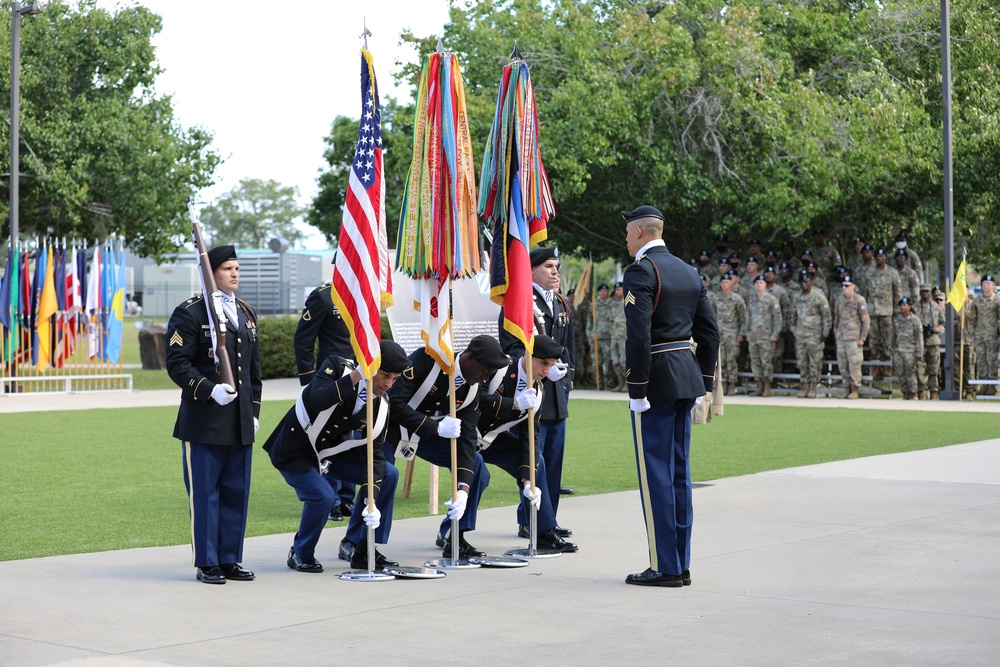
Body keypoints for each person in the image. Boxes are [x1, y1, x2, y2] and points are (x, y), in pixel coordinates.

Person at [620, 205, 720, 588]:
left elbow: (639, 336)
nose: (626, 240)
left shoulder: (643, 271)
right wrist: (705, 383)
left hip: (657, 381)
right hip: (687, 377)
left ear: (642, 232)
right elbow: (710, 334)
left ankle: (664, 566)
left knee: (656, 476)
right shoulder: (688, 271)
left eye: (629, 232)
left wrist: (637, 389)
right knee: (679, 473)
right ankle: (680, 563)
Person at [262, 340, 410, 572]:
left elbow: (376, 455)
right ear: (370, 366)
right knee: (325, 498)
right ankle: (300, 552)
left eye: (395, 378)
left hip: (331, 455)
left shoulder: (381, 405)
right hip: (295, 450)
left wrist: (371, 501)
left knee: (387, 474)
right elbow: (317, 398)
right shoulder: (337, 367)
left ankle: (360, 548)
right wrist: (356, 377)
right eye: (385, 375)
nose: (390, 384)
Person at [165, 244, 262, 585]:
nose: (235, 274)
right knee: (206, 495)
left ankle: (230, 559)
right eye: (227, 269)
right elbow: (177, 364)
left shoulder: (245, 312)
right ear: (210, 273)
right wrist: (209, 389)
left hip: (238, 422)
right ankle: (207, 562)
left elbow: (253, 372)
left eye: (237, 268)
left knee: (237, 491)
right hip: (204, 420)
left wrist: (253, 411)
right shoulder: (190, 312)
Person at [386, 335, 512, 558]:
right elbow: (393, 404)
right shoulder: (426, 360)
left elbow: (467, 437)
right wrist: (434, 427)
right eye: (484, 371)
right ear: (469, 358)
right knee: (383, 477)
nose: (485, 379)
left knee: (477, 469)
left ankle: (455, 535)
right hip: (392, 430)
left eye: (490, 374)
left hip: (428, 435)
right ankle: (357, 542)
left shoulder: (472, 389)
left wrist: (463, 489)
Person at [477, 334, 578, 552]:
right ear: (527, 355)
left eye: (551, 365)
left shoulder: (538, 390)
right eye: (543, 363)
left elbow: (529, 435)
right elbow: (477, 399)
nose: (547, 370)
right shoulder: (500, 368)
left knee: (535, 461)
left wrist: (527, 479)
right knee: (477, 473)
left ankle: (543, 532)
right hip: (465, 434)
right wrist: (513, 403)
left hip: (491, 440)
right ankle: (451, 534)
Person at [499, 246, 577, 517]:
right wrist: (541, 367)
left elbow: (569, 347)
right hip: (532, 391)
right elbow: (512, 350)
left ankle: (549, 521)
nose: (555, 271)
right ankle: (530, 520)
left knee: (554, 460)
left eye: (557, 266)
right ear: (530, 269)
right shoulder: (519, 303)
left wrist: (567, 376)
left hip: (557, 393)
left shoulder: (560, 302)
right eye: (548, 266)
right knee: (534, 460)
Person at [293, 272, 358, 522]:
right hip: (329, 378)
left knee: (351, 435)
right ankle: (330, 498)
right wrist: (310, 383)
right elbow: (303, 341)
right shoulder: (322, 297)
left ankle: (346, 499)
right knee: (327, 437)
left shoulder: (364, 296)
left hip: (358, 376)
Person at [790, 271, 832, 399]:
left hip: (815, 334)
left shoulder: (819, 297)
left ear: (811, 282)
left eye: (806, 282)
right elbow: (792, 317)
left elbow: (827, 317)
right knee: (802, 362)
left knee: (815, 362)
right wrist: (794, 331)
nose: (804, 284)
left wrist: (825, 333)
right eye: (802, 282)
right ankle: (805, 386)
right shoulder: (796, 297)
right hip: (801, 334)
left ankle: (813, 387)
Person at [863, 248, 901, 373]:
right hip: (872, 310)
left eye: (882, 256)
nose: (879, 258)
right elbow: (865, 292)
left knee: (887, 339)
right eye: (877, 256)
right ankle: (875, 365)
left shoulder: (893, 273)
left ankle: (886, 365)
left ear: (885, 257)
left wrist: (897, 311)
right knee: (873, 339)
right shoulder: (869, 272)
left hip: (887, 311)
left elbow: (897, 294)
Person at [743, 274, 781, 397]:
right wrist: (747, 333)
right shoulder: (752, 299)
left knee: (766, 362)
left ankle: (767, 387)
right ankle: (759, 386)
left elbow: (777, 318)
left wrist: (775, 334)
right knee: (755, 362)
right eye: (757, 283)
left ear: (765, 285)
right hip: (754, 336)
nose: (759, 285)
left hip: (766, 337)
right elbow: (748, 317)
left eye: (761, 283)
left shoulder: (771, 300)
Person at [833, 275, 870, 399]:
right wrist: (836, 335)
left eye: (847, 285)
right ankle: (846, 388)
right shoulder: (839, 300)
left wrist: (862, 338)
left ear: (853, 287)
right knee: (842, 365)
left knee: (854, 364)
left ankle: (855, 389)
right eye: (843, 285)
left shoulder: (859, 300)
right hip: (842, 337)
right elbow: (836, 320)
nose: (844, 288)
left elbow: (865, 320)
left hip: (854, 338)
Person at [713, 272, 746, 395]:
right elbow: (712, 316)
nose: (724, 284)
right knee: (720, 361)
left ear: (731, 283)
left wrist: (741, 333)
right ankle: (722, 384)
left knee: (731, 360)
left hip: (733, 333)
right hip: (719, 334)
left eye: (727, 282)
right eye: (722, 282)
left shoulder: (737, 299)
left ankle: (732, 384)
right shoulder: (716, 298)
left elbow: (743, 317)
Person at [967, 274, 1000, 396]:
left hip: (992, 335)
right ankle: (984, 385)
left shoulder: (997, 300)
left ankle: (992, 386)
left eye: (988, 283)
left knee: (992, 361)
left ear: (993, 285)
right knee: (981, 361)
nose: (985, 285)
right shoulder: (976, 301)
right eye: (983, 283)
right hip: (979, 335)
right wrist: (972, 334)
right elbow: (972, 318)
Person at [916, 284, 945, 400]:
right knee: (919, 369)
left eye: (927, 291)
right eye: (923, 291)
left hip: (933, 341)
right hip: (919, 342)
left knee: (934, 370)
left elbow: (943, 323)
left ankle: (933, 393)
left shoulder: (936, 307)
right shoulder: (915, 307)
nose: (925, 294)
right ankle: (920, 394)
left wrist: (937, 329)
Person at [893, 297, 924, 400]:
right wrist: (892, 350)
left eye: (904, 305)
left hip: (910, 352)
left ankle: (912, 393)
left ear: (910, 307)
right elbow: (893, 336)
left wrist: (919, 353)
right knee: (901, 374)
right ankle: (905, 392)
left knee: (910, 374)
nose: (902, 307)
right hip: (899, 351)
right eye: (901, 305)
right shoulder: (897, 319)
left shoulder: (915, 320)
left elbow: (919, 339)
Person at [594, 283, 614, 389]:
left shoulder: (611, 304)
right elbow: (590, 322)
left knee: (608, 363)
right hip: (596, 338)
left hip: (608, 337)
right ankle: (599, 383)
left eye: (605, 291)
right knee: (596, 362)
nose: (603, 293)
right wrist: (590, 335)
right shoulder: (593, 305)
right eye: (601, 291)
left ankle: (608, 384)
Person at [609, 282, 628, 391]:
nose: (616, 291)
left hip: (624, 335)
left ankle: (627, 384)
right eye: (615, 289)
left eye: (618, 289)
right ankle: (620, 383)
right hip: (614, 335)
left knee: (624, 360)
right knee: (615, 360)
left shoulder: (628, 302)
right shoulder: (614, 303)